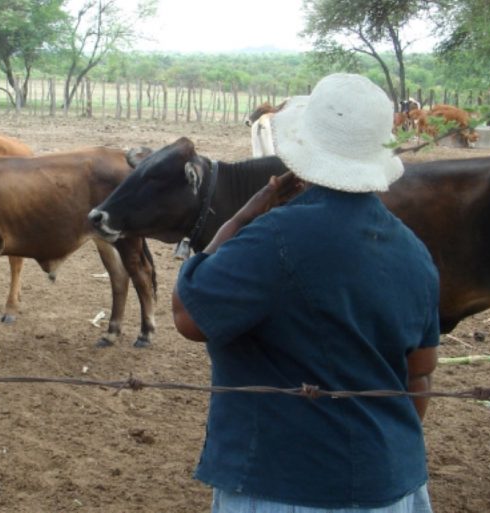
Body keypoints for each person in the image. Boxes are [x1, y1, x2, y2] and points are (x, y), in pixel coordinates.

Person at [172, 73, 440, 513]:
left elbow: (188, 316)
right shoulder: (413, 251)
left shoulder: (273, 237)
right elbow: (421, 375)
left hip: (285, 485)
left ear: (301, 152)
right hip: (395, 486)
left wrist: (240, 218)